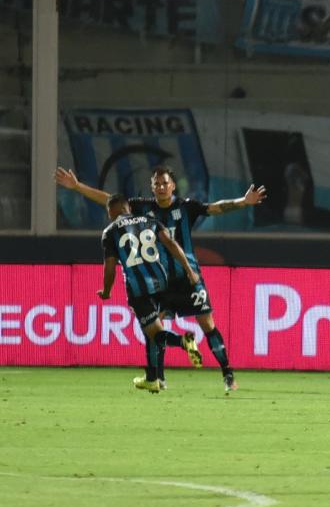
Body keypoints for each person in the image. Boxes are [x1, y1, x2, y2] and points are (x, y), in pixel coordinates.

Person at [57, 164, 266, 393]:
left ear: (173, 185)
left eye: (165, 183)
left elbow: (215, 208)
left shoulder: (187, 207)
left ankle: (227, 372)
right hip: (161, 279)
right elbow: (111, 201)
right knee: (154, 327)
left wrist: (243, 202)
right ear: (152, 187)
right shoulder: (142, 207)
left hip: (188, 276)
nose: (161, 187)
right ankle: (159, 377)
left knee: (207, 324)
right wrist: (77, 187)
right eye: (157, 184)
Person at [97, 194, 202, 394]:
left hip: (139, 289)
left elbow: (109, 267)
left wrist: (107, 291)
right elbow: (172, 245)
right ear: (128, 207)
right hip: (162, 282)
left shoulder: (110, 231)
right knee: (152, 332)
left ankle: (183, 341)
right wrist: (189, 270)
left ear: (113, 211)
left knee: (154, 332)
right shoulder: (151, 220)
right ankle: (153, 378)